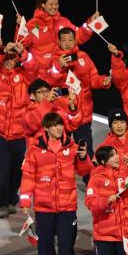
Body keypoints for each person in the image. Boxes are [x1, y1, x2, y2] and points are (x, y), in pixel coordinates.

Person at [20, 112, 92, 255]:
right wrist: (25, 202)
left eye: (61, 125)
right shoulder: (35, 150)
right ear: (46, 128)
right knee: (45, 243)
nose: (59, 128)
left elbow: (85, 171)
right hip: (44, 207)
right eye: (55, 125)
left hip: (68, 206)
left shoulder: (73, 147)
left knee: (67, 247)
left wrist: (84, 158)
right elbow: (28, 176)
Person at [0, 40, 36, 218]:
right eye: (6, 58)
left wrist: (25, 54)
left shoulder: (24, 76)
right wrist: (2, 49)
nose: (10, 61)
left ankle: (11, 199)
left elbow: (36, 69)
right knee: (3, 167)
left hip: (19, 132)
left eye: (13, 58)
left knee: (17, 169)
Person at [47, 27, 112, 166]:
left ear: (75, 40)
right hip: (62, 114)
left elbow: (93, 78)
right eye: (64, 40)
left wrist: (103, 81)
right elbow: (49, 81)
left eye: (71, 39)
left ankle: (91, 183)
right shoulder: (53, 58)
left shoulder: (83, 56)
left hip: (83, 113)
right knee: (61, 150)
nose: (68, 43)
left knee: (85, 149)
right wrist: (58, 67)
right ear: (58, 41)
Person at [18, 0, 97, 79]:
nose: (54, 7)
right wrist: (21, 27)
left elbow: (78, 36)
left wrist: (90, 24)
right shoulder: (34, 24)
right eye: (51, 4)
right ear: (43, 5)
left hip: (62, 73)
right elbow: (22, 42)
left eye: (56, 4)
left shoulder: (64, 21)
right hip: (41, 76)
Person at [23, 78, 80, 147]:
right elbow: (33, 125)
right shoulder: (28, 113)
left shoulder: (55, 108)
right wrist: (47, 102)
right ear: (32, 96)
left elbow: (71, 126)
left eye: (47, 91)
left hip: (58, 151)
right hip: (38, 152)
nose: (46, 94)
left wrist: (72, 107)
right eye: (41, 92)